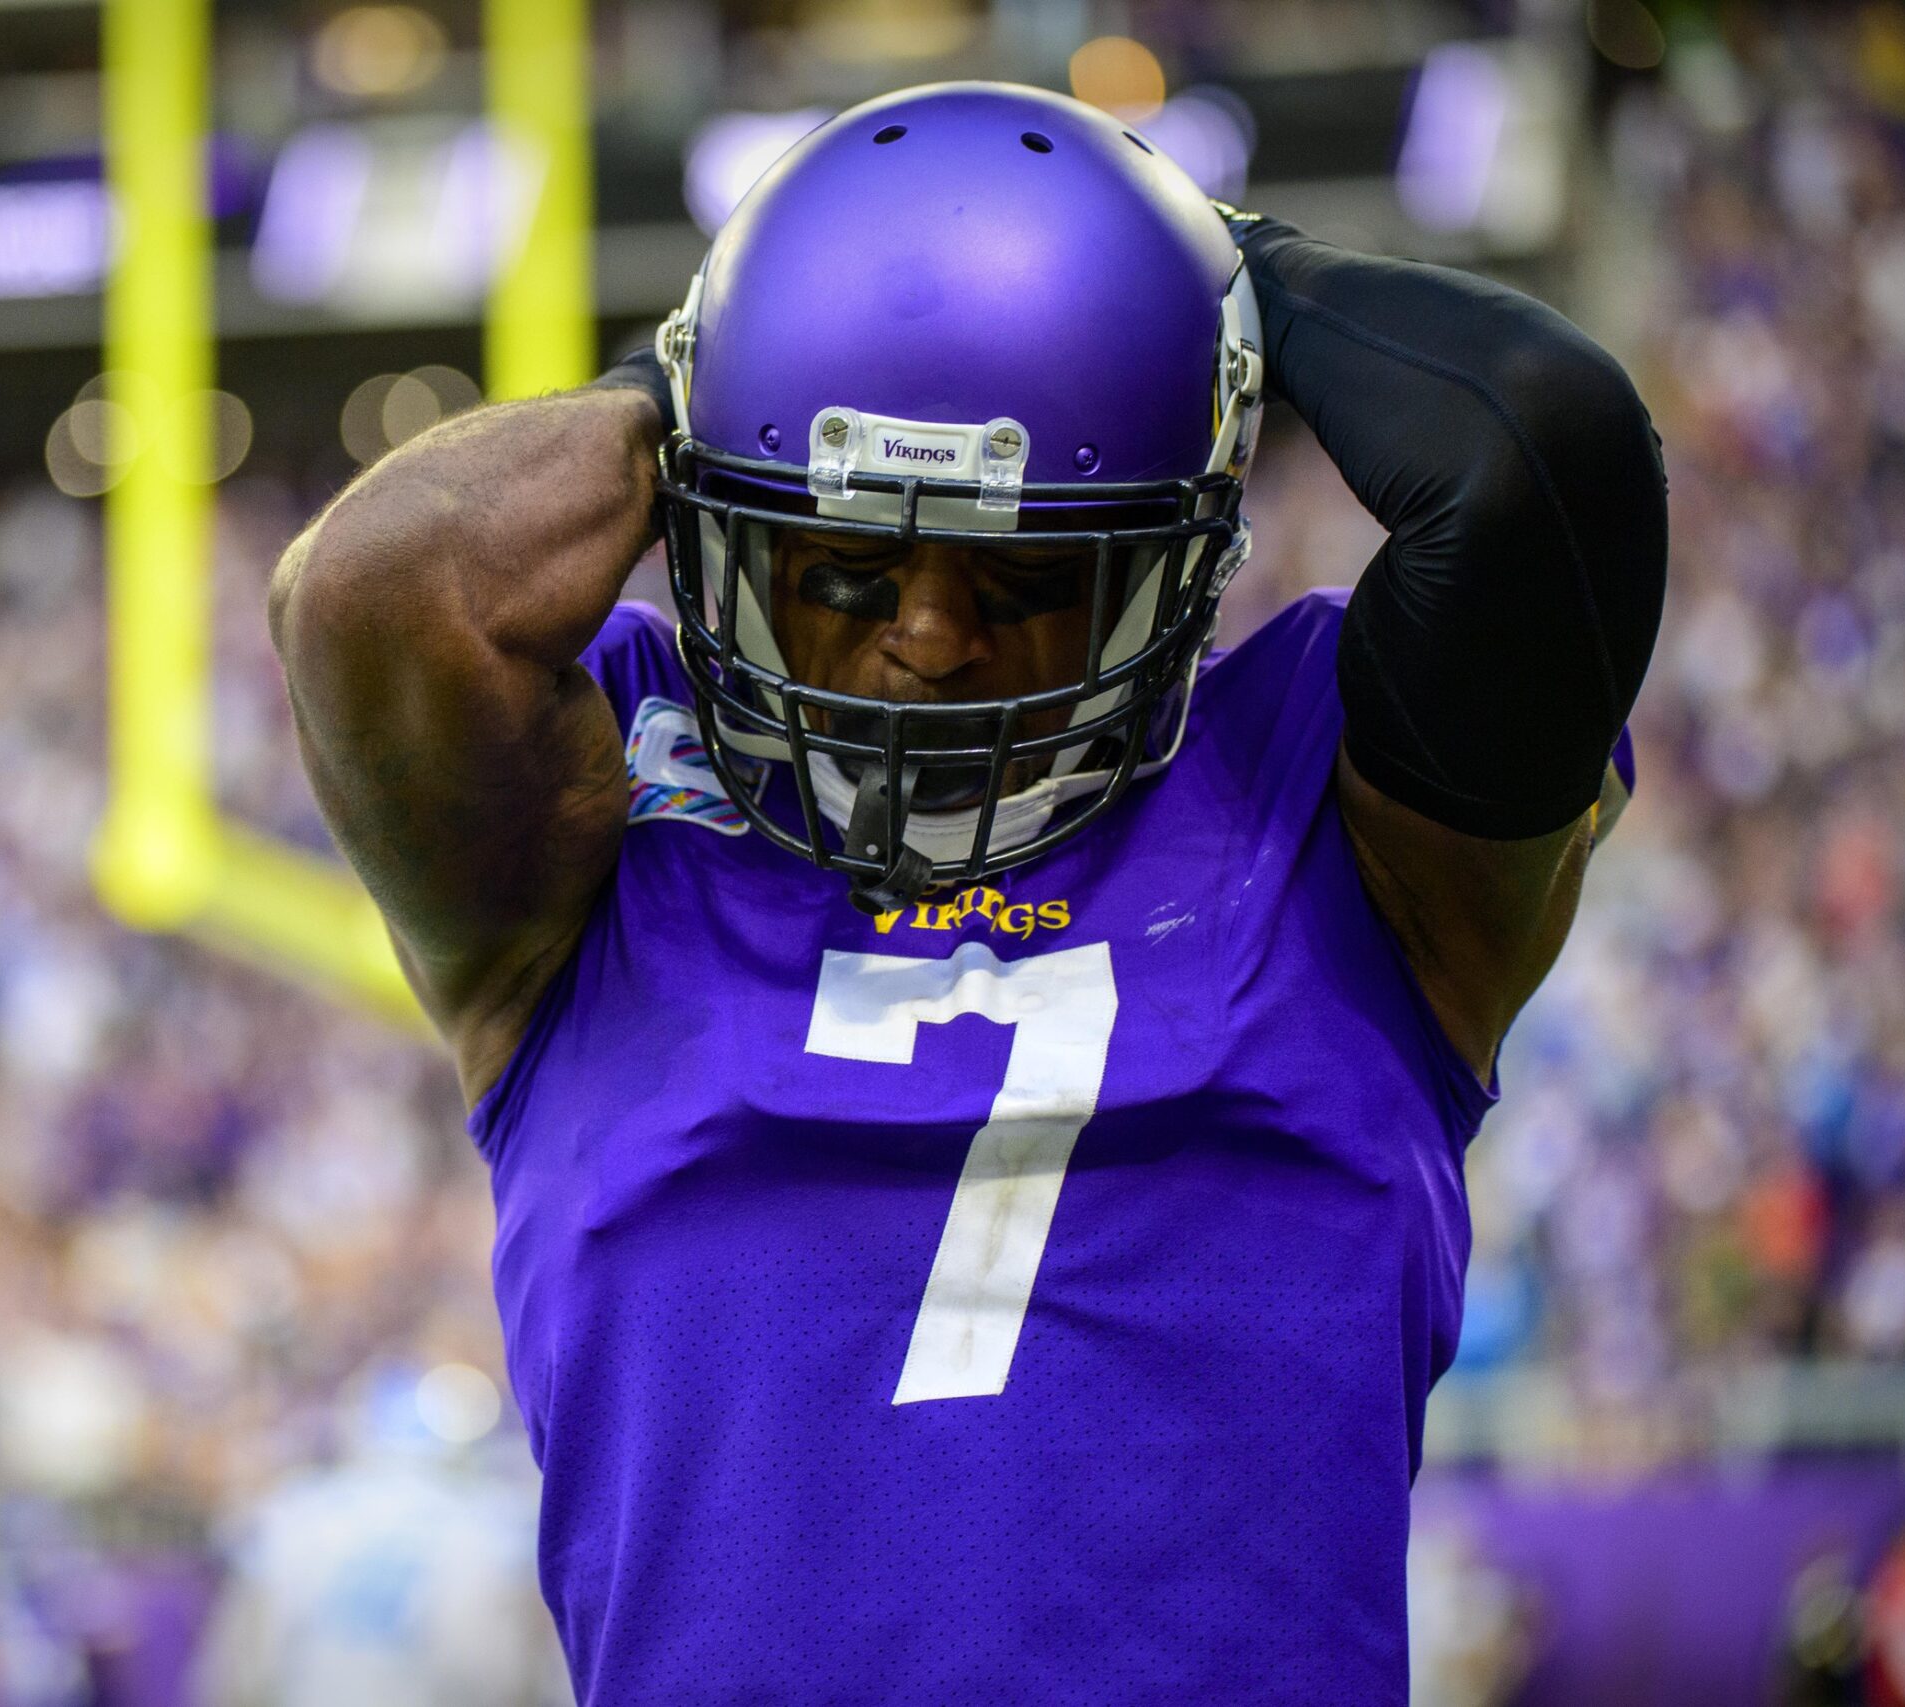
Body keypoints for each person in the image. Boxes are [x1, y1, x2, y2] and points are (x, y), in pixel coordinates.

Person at [271, 80, 1666, 1707]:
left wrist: (1213, 281)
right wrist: (725, 367)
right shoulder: (586, 848)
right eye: (846, 568)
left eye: (1021, 579)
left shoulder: (1339, 818)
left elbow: (1540, 454)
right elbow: (370, 595)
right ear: (727, 534)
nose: (928, 637)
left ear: (1175, 567)